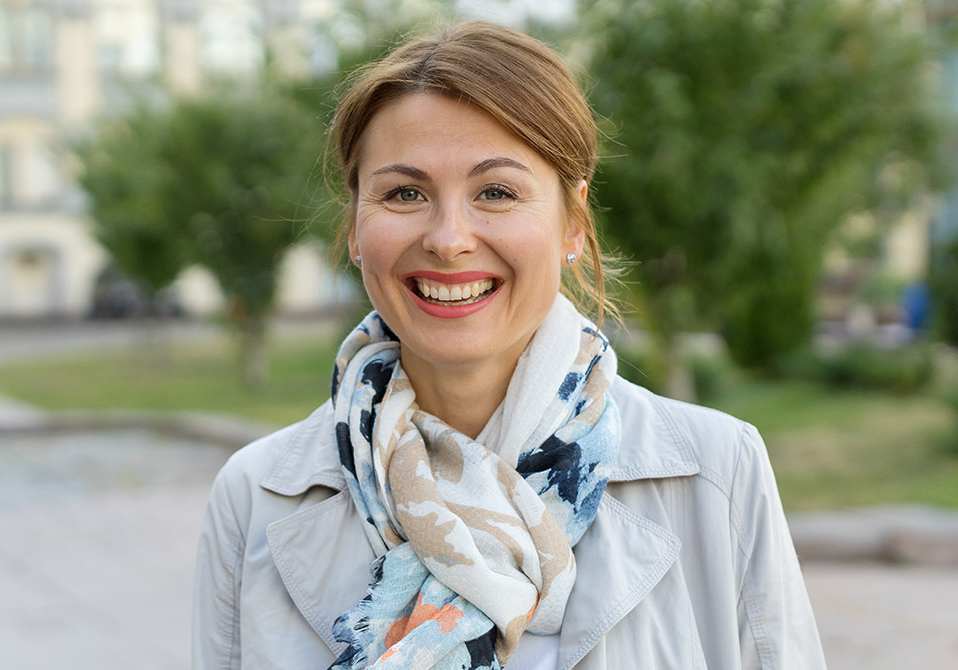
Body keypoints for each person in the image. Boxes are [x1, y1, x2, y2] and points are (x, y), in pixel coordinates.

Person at [192, 20, 827, 670]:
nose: (448, 237)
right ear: (355, 225)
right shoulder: (256, 497)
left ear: (572, 223)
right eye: (405, 192)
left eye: (495, 191)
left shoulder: (716, 474)